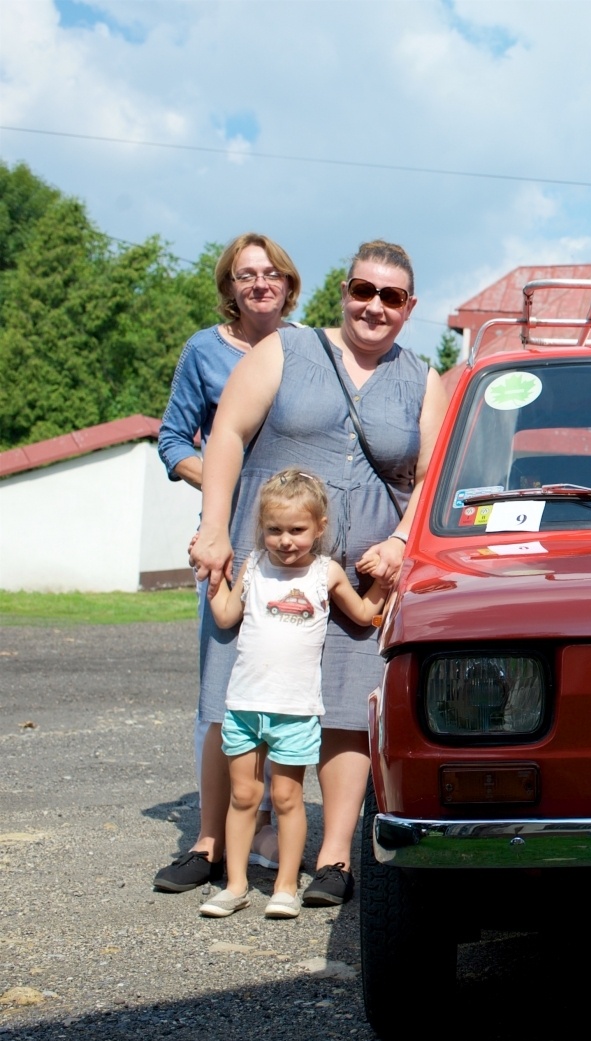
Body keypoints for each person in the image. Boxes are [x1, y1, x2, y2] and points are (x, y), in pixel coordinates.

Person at [190, 239, 447, 906]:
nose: (373, 306)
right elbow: (225, 436)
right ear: (344, 290)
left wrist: (397, 541)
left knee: (345, 709)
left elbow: (429, 478)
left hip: (360, 579)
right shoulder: (286, 350)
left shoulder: (423, 378)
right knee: (238, 694)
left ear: (409, 307)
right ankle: (221, 844)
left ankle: (334, 857)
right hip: (270, 565)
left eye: (390, 297)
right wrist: (214, 528)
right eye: (363, 290)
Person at [154, 233, 303, 893]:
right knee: (222, 689)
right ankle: (209, 840)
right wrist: (221, 483)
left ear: (289, 284)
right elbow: (171, 438)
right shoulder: (203, 350)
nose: (259, 283)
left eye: (270, 273)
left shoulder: (306, 351)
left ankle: (269, 823)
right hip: (226, 540)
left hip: (292, 542)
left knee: (286, 685)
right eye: (246, 275)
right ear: (230, 286)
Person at [201, 469, 389, 919]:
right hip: (245, 705)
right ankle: (237, 885)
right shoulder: (253, 566)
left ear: (320, 527)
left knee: (287, 798)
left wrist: (387, 582)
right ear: (261, 529)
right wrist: (214, 584)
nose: (286, 540)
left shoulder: (326, 573)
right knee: (243, 796)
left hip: (296, 710)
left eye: (297, 530)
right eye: (275, 530)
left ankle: (285, 886)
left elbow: (364, 615)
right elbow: (227, 616)